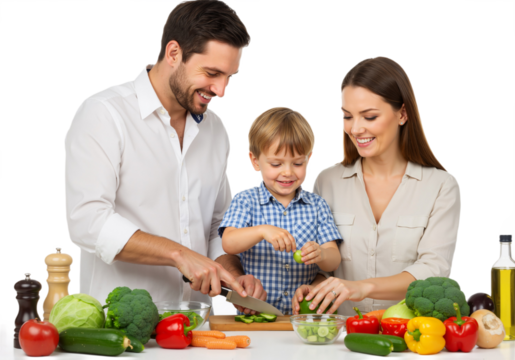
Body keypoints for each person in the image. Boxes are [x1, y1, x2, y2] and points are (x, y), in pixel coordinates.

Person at [63, 0, 265, 313]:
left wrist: (233, 275)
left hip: (194, 325)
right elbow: (87, 221)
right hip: (117, 329)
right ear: (173, 53)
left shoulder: (215, 130)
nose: (222, 90)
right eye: (212, 73)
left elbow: (216, 225)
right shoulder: (104, 114)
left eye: (230, 76)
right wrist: (178, 254)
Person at [292, 56, 462, 316]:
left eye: (369, 116)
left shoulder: (441, 187)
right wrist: (313, 286)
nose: (356, 128)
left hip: (409, 337)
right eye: (347, 116)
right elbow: (325, 267)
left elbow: (433, 270)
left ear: (402, 114)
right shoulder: (327, 182)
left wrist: (363, 287)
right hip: (340, 337)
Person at [219, 107, 342, 314]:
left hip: (302, 316)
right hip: (256, 315)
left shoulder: (317, 206)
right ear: (255, 161)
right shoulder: (245, 201)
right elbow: (228, 243)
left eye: (297, 163)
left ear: (309, 158)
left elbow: (334, 259)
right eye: (276, 164)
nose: (287, 172)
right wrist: (262, 230)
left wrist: (321, 253)